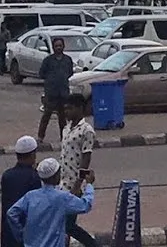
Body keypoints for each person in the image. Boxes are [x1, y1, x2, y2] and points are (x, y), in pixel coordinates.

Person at [6, 157, 94, 247]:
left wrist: (21, 234)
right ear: (55, 176)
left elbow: (11, 213)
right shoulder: (61, 197)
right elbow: (85, 205)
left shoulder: (30, 196)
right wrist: (89, 185)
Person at [58, 95, 97, 247]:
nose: (66, 111)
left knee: (68, 224)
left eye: (70, 108)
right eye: (65, 108)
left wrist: (79, 183)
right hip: (62, 182)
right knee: (63, 224)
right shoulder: (66, 128)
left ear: (80, 108)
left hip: (74, 184)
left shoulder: (87, 130)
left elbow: (86, 159)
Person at [0, 136, 42, 247]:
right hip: (26, 232)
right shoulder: (34, 177)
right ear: (32, 155)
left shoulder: (7, 175)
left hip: (8, 231)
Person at [37, 38, 74, 143]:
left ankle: (64, 137)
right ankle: (40, 137)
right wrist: (51, 80)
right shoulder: (48, 60)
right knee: (46, 115)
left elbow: (70, 72)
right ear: (53, 47)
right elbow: (41, 73)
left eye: (60, 45)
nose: (58, 48)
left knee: (63, 117)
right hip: (51, 93)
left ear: (63, 46)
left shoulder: (67, 60)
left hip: (63, 93)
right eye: (56, 46)